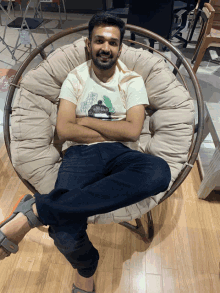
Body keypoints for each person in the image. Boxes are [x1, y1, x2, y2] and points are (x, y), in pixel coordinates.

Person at [0, 11, 171, 293]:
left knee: (158, 171)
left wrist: (86, 120)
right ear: (88, 44)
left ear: (120, 47)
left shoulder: (132, 80)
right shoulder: (75, 78)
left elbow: (132, 132)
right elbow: (65, 130)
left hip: (122, 153)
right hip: (79, 154)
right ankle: (86, 271)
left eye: (113, 42)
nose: (106, 48)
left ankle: (35, 210)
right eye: (99, 41)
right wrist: (110, 125)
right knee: (65, 231)